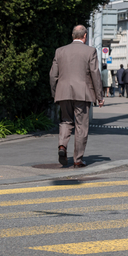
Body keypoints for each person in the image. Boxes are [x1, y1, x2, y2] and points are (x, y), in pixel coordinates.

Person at [49, 25, 104, 168]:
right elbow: (95, 74)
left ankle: (62, 146)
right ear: (85, 36)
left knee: (65, 121)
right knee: (81, 126)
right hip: (83, 93)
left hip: (63, 92)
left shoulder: (60, 51)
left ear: (72, 35)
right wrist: (100, 96)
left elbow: (53, 75)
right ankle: (77, 159)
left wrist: (55, 93)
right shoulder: (90, 51)